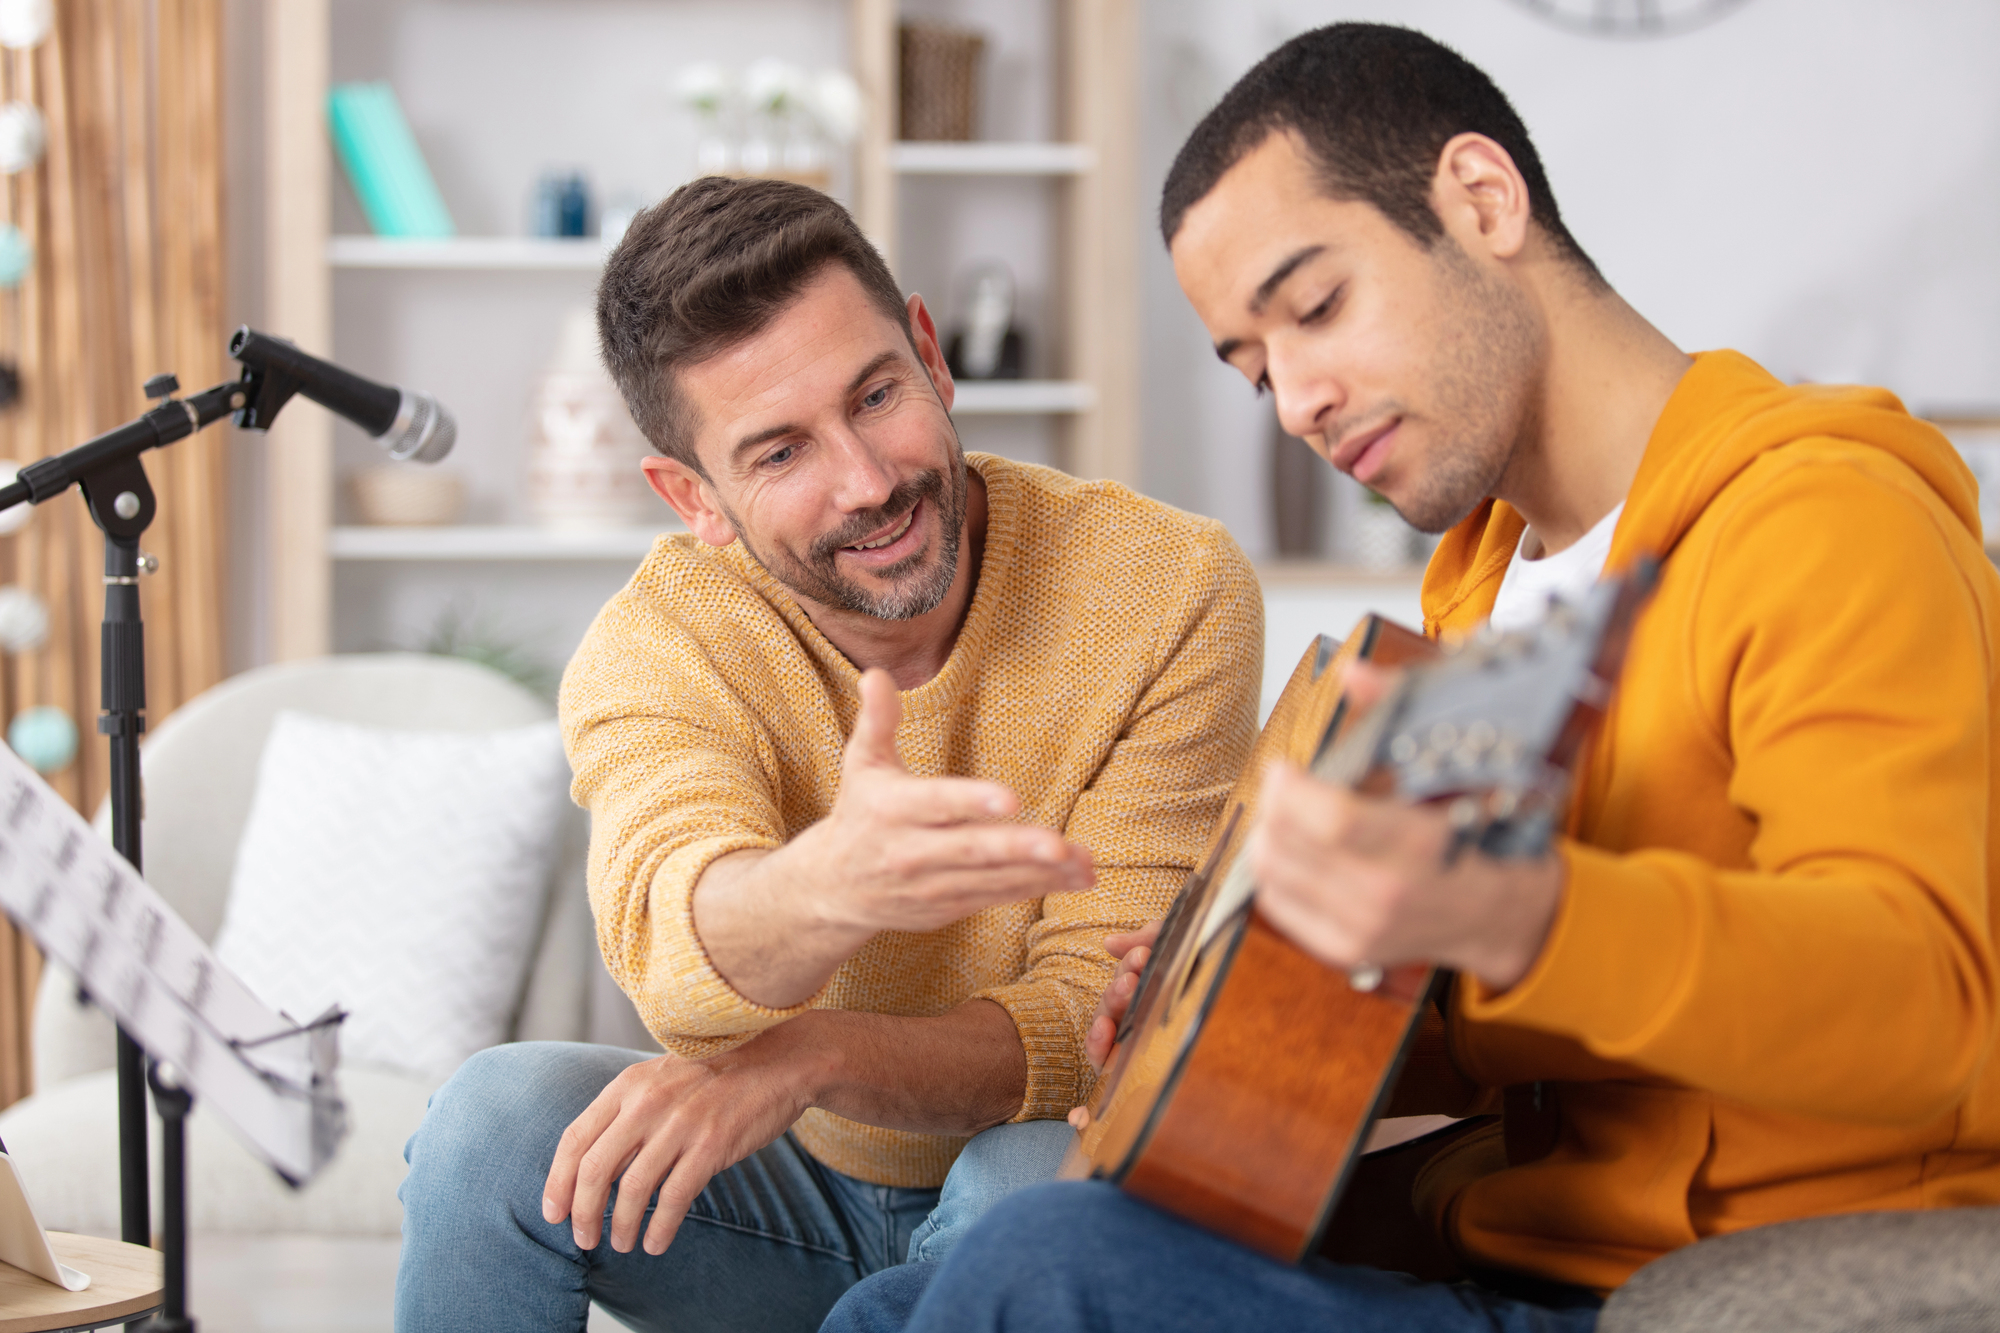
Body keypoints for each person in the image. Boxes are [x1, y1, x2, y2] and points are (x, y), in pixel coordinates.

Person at [823, 22, 2000, 1333]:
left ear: (1482, 200)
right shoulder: (1481, 590)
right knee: (900, 1302)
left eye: (1317, 307)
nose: (1299, 403)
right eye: (1256, 369)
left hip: (1705, 1275)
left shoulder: (1824, 522)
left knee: (1040, 1262)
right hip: (1491, 1228)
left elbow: (1927, 1000)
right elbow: (1552, 1030)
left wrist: (1508, 908)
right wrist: (1255, 1006)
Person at [392, 178, 1263, 1333]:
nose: (866, 481)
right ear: (692, 497)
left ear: (930, 355)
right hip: (771, 1191)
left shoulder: (1169, 587)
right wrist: (829, 885)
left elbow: (1087, 1030)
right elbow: (667, 934)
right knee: (489, 1125)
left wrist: (809, 1055)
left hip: (1027, 1174)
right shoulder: (660, 641)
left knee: (1030, 1184)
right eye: (779, 452)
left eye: (874, 394)